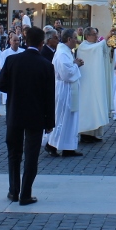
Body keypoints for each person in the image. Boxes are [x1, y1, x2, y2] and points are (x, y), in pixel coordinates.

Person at [0, 26, 55, 205]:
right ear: (41, 43)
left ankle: (13, 190)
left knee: (14, 153)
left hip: (15, 113)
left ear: (25, 41)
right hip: (36, 115)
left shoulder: (12, 60)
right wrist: (50, 122)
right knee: (31, 155)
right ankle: (26, 193)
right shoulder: (46, 65)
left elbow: (0, 85)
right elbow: (50, 97)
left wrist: (15, 88)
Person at [46, 29, 84, 157]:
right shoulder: (62, 53)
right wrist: (76, 65)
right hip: (64, 90)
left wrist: (75, 64)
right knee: (62, 118)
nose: (77, 41)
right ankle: (51, 145)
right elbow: (66, 74)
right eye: (75, 38)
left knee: (70, 119)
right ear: (69, 39)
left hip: (70, 90)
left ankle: (68, 147)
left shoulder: (67, 52)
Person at [76, 27, 112, 142]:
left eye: (97, 34)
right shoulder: (83, 47)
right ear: (87, 36)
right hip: (86, 83)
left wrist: (109, 44)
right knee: (88, 106)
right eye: (94, 34)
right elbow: (96, 49)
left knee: (95, 105)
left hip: (94, 81)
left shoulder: (94, 45)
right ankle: (86, 133)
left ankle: (95, 132)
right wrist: (106, 38)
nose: (97, 36)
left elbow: (101, 50)